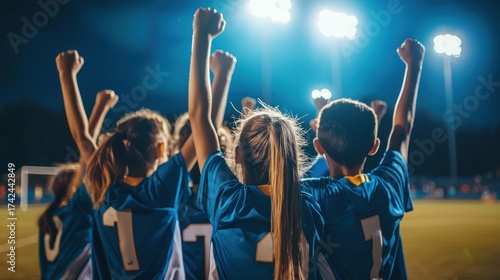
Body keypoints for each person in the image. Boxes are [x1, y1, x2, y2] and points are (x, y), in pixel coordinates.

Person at [188, 8, 327, 280]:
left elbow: (199, 117)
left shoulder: (228, 201)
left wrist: (202, 36)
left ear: (238, 155)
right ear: (291, 157)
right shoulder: (308, 207)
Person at [56, 49, 199, 279]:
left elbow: (83, 138)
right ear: (160, 149)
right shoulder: (163, 188)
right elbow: (202, 120)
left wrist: (66, 75)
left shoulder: (104, 187)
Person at [302, 39, 425, 279]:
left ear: (318, 147)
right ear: (374, 147)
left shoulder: (315, 196)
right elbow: (402, 127)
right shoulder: (388, 185)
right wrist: (414, 64)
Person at [41, 57, 119, 279]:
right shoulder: (78, 210)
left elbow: (85, 152)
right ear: (73, 188)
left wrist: (99, 107)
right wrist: (67, 74)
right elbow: (84, 148)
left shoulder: (50, 215)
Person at [175, 50, 236, 280]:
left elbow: (203, 123)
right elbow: (206, 126)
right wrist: (222, 75)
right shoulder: (235, 197)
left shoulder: (170, 192)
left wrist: (221, 75)